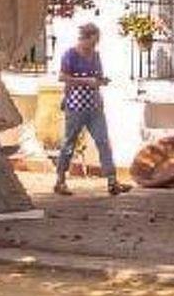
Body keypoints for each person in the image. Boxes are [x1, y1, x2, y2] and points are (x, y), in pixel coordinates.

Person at [54, 22, 130, 196]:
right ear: (85, 38)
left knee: (103, 141)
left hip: (94, 106)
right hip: (75, 106)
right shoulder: (70, 54)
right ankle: (60, 180)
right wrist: (86, 81)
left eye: (97, 42)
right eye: (93, 41)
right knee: (69, 143)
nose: (95, 45)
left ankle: (112, 181)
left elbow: (97, 77)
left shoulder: (96, 56)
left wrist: (101, 81)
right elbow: (62, 77)